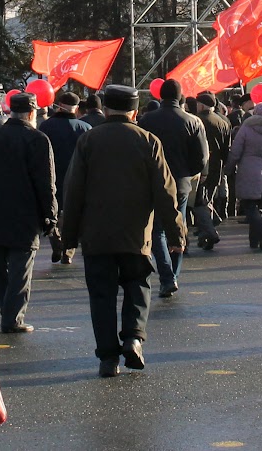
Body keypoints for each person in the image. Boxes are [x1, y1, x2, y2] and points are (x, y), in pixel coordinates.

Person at [58, 84, 184, 378]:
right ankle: (133, 338)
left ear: (106, 109)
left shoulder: (89, 140)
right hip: (136, 233)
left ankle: (108, 357)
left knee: (101, 295)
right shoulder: (148, 141)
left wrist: (68, 237)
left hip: (96, 234)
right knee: (138, 285)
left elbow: (73, 191)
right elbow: (166, 193)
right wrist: (176, 234)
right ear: (135, 111)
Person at [0, 91, 58, 334]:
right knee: (21, 268)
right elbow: (46, 183)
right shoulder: (38, 139)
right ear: (32, 113)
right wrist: (50, 215)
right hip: (26, 214)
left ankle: (6, 310)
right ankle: (12, 317)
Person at [135, 80, 207, 298]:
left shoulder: (147, 120)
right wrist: (188, 171)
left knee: (157, 230)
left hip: (153, 179)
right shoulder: (192, 121)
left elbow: (139, 150)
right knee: (178, 225)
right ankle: (173, 274)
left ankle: (167, 276)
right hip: (181, 181)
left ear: (159, 95)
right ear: (180, 96)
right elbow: (202, 157)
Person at [37, 89, 90, 263]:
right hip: (76, 175)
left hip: (52, 174)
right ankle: (69, 249)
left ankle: (56, 241)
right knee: (73, 212)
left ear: (59, 106)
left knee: (52, 211)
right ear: (76, 108)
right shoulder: (85, 128)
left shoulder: (46, 126)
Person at [228, 100, 262, 250]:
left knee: (249, 205)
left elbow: (236, 150)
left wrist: (229, 167)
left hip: (247, 168)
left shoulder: (246, 128)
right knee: (258, 206)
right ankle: (255, 241)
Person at [190, 93, 232, 249]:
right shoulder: (223, 121)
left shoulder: (196, 120)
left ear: (200, 105)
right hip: (217, 166)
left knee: (199, 200)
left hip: (200, 167)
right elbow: (227, 148)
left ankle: (210, 227)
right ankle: (205, 235)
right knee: (208, 199)